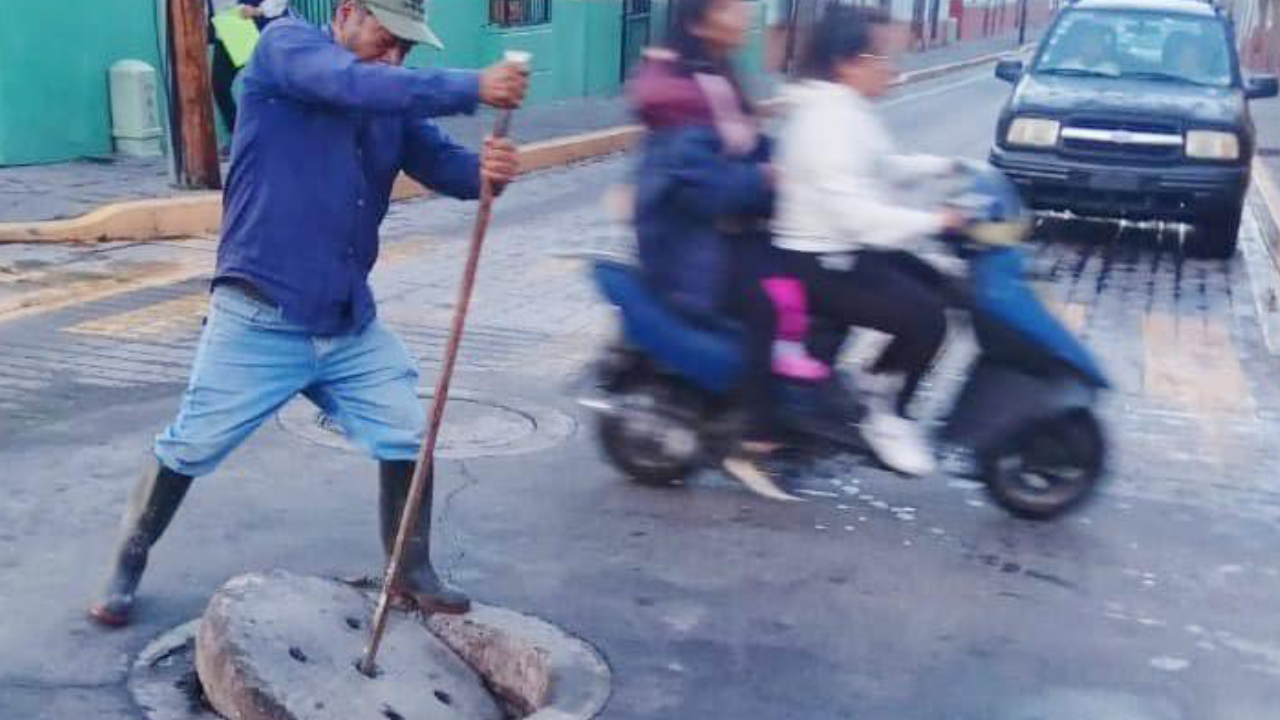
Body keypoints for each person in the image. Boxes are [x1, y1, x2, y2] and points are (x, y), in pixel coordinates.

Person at [87, 0, 528, 627]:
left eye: (408, 48)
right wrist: (472, 86)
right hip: (258, 311)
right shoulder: (287, 50)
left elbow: (446, 167)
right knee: (191, 444)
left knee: (408, 426)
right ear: (346, 12)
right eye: (386, 38)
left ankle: (410, 568)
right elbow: (354, 82)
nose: (395, 56)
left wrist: (489, 172)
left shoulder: (388, 102)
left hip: (346, 318)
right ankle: (126, 564)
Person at [768, 4, 966, 477]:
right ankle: (883, 412)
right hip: (816, 259)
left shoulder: (844, 108)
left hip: (841, 250)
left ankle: (873, 388)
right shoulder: (825, 121)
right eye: (880, 58)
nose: (890, 69)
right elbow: (858, 216)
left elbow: (883, 166)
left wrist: (949, 167)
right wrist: (934, 221)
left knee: (942, 285)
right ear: (846, 62)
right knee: (925, 318)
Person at [629, 0, 797, 499]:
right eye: (731, 8)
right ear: (701, 19)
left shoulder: (715, 72)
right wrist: (769, 178)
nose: (744, 16)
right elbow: (714, 187)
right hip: (692, 244)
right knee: (770, 304)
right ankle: (752, 441)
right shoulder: (681, 95)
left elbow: (748, 145)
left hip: (727, 228)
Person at [210, 0, 291, 133]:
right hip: (229, 24)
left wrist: (258, 10)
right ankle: (240, 135)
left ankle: (278, 134)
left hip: (261, 23)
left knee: (271, 84)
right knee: (219, 83)